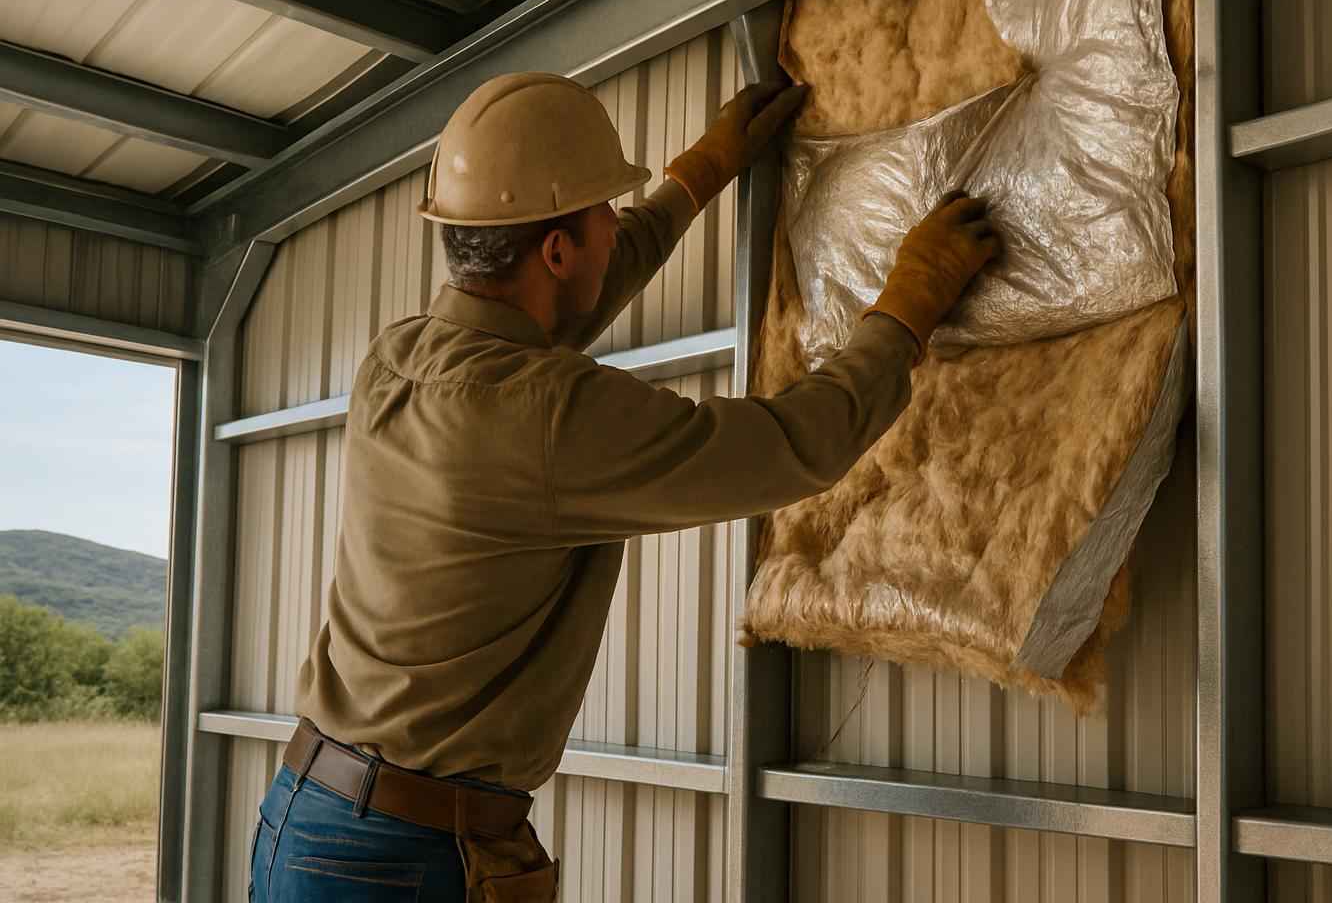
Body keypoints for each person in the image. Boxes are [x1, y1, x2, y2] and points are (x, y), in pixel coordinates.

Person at [247, 71, 997, 902]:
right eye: (604, 208)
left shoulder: (397, 358)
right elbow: (791, 446)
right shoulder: (548, 418)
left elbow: (571, 301)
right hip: (398, 861)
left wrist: (702, 173)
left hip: (309, 814)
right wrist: (908, 303)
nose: (615, 220)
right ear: (557, 251)